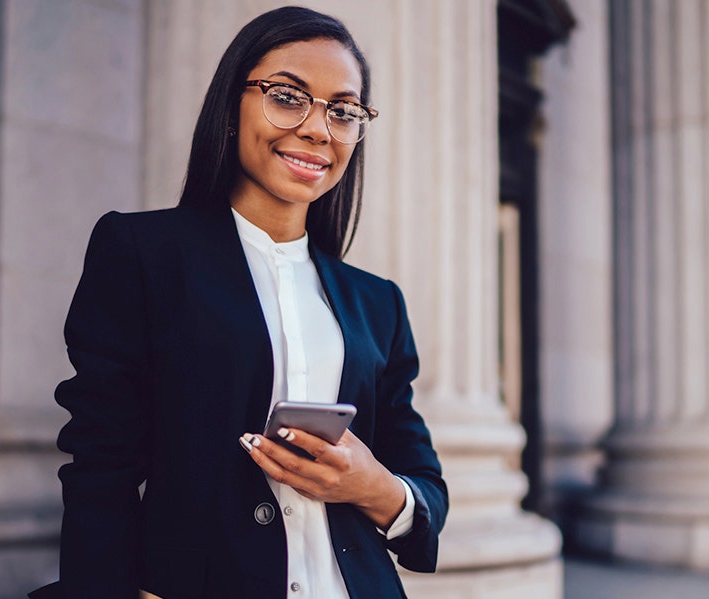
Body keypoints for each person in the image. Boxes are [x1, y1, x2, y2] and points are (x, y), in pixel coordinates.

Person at [29, 6, 447, 599]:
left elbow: (423, 480)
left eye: (343, 111)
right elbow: (101, 462)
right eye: (286, 96)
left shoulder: (377, 303)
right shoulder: (143, 252)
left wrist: (372, 486)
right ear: (232, 106)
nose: (317, 129)